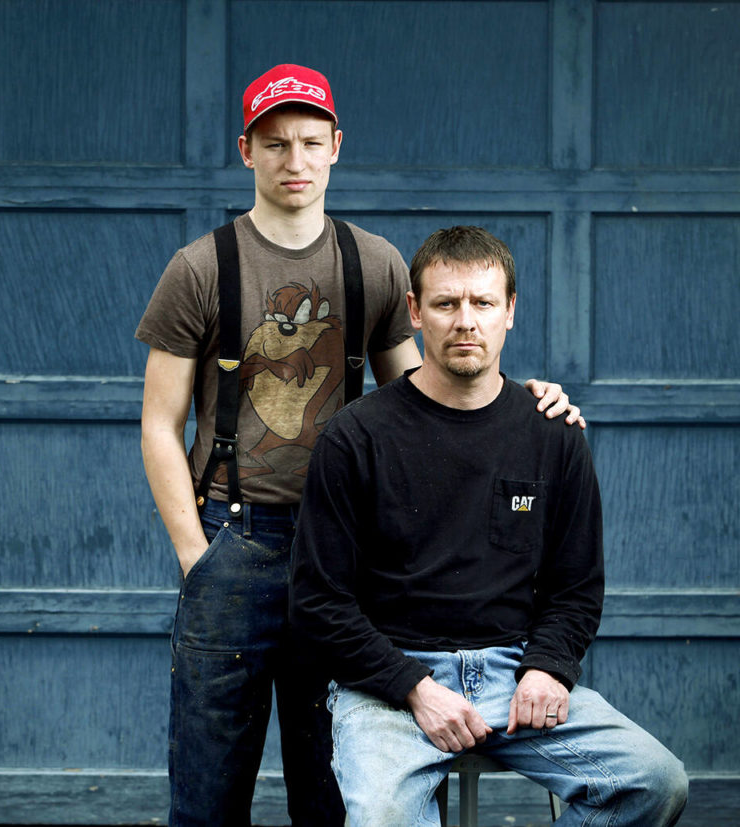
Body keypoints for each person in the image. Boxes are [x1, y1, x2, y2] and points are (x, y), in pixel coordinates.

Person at [136, 64, 580, 827]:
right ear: (246, 151)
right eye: (275, 144)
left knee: (338, 793)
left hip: (346, 555)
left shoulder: (372, 263)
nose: (295, 161)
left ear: (337, 146)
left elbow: (430, 400)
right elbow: (158, 420)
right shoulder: (202, 267)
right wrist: (196, 555)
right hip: (234, 539)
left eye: (311, 142)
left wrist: (530, 400)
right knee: (207, 797)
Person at [289, 225, 689, 826]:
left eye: (482, 302)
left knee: (654, 783)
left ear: (510, 312)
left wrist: (549, 667)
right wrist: (414, 687)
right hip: (390, 682)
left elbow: (575, 586)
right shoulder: (357, 437)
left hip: (513, 671)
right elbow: (318, 602)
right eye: (447, 304)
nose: (465, 321)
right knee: (383, 817)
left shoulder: (552, 434)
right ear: (416, 313)